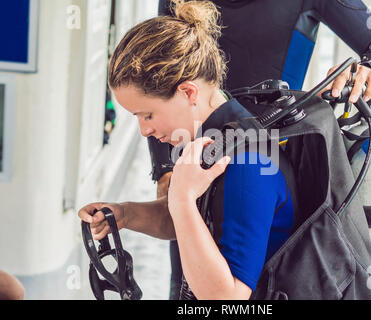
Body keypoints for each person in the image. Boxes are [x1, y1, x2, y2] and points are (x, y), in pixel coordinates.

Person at [153, 0, 371, 299]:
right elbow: (157, 85)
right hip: (198, 170)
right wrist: (165, 173)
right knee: (188, 290)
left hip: (262, 173)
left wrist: (369, 67)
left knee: (253, 288)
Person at [79, 0, 300, 300]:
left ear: (187, 92)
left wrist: (181, 197)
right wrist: (124, 215)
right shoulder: (207, 139)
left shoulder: (249, 162)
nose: (145, 131)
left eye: (148, 115)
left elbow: (228, 299)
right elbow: (186, 222)